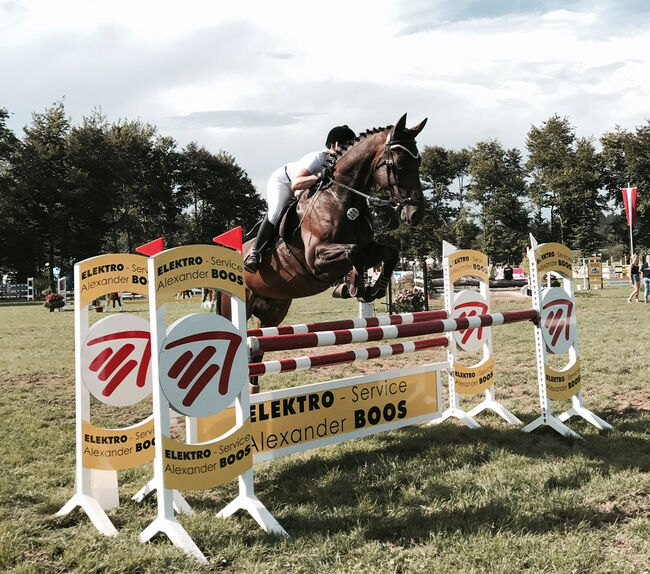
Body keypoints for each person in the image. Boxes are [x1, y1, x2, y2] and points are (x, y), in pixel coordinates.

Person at [244, 125, 356, 273]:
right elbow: (296, 184)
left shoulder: (338, 164)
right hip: (285, 182)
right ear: (334, 145)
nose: (349, 150)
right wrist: (318, 175)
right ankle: (255, 253)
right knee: (276, 212)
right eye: (347, 145)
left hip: (303, 190)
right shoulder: (318, 157)